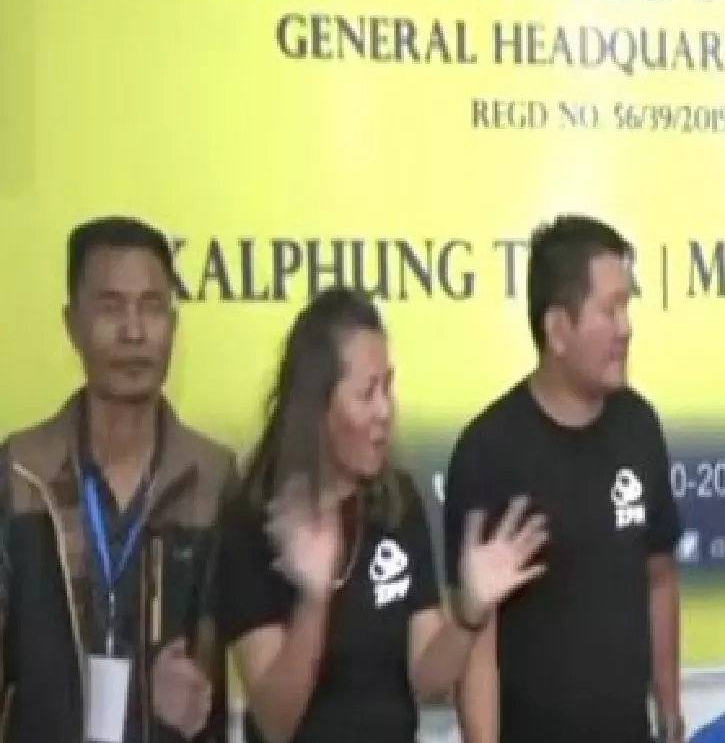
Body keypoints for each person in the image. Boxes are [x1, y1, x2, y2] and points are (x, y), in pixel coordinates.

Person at [217, 288, 548, 743]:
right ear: (318, 407)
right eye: (366, 393)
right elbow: (275, 722)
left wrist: (469, 615)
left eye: (388, 387)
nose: (384, 411)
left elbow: (427, 680)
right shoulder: (256, 521)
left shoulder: (398, 502)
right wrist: (314, 599)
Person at [445, 216, 684, 743]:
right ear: (557, 330)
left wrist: (669, 706)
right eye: (610, 310)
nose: (626, 328)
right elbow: (478, 638)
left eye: (628, 307)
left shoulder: (639, 427)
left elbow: (660, 576)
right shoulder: (489, 451)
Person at [0, 216, 239, 743]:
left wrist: (197, 682)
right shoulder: (21, 471)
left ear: (172, 324)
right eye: (111, 308)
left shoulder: (213, 477)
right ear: (72, 324)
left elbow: (228, 641)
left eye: (152, 308)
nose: (134, 332)